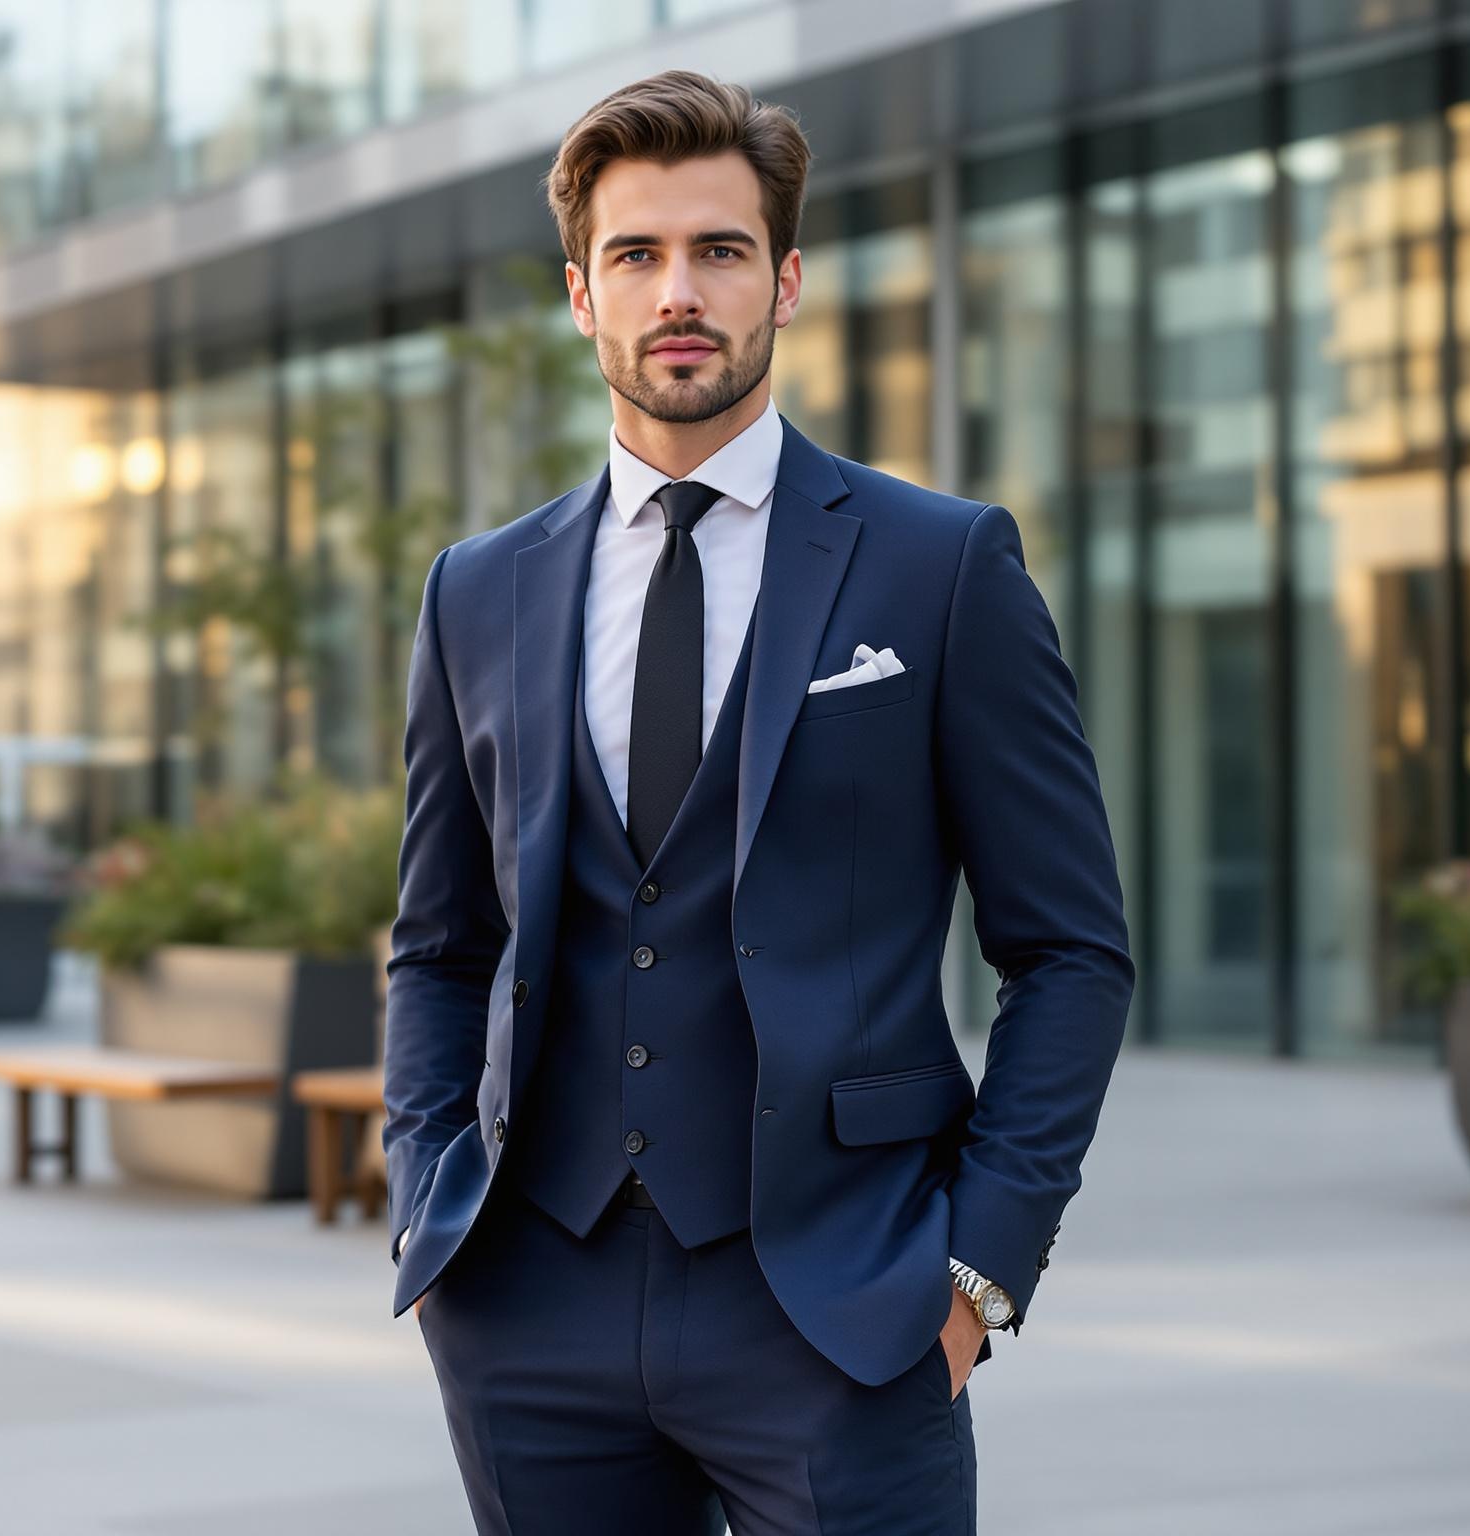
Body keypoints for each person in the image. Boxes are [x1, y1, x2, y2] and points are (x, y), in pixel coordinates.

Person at [380, 69, 1135, 1535]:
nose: (681, 291)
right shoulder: (480, 592)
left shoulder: (940, 566)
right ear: (580, 297)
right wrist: (431, 1201)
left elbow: (1070, 949)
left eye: (721, 251)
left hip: (845, 1312)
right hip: (533, 1310)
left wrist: (979, 1271)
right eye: (638, 255)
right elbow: (438, 941)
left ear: (785, 283)